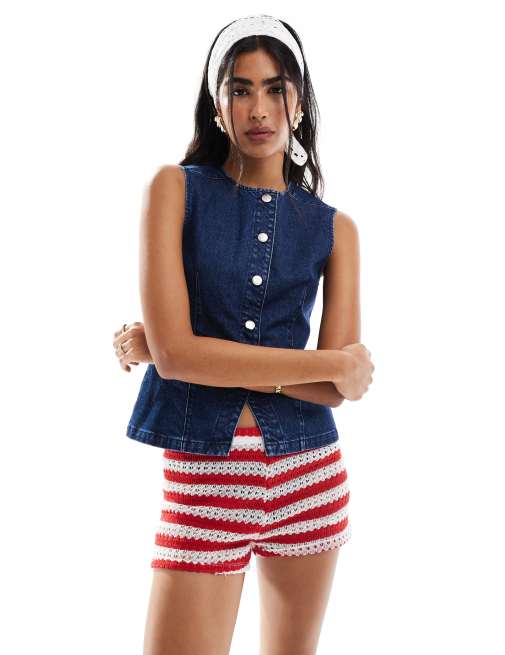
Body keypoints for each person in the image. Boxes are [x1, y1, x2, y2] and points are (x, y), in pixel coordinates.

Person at [112, 14, 374, 655]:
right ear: (217, 102)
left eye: (276, 88)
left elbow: (334, 391)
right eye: (240, 89)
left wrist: (200, 352)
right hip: (207, 485)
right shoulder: (175, 189)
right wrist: (323, 365)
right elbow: (179, 357)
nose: (259, 109)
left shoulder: (335, 229)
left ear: (300, 102)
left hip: (311, 479)